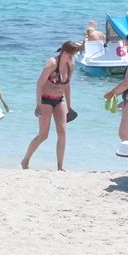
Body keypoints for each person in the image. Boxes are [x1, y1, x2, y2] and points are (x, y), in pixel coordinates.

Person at [21, 41, 81, 170]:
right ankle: (25, 160)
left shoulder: (71, 65)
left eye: (75, 53)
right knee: (43, 135)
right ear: (64, 52)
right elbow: (39, 84)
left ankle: (60, 166)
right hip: (45, 100)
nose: (74, 56)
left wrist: (69, 106)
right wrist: (38, 105)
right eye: (73, 53)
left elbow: (67, 86)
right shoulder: (52, 63)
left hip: (60, 100)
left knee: (62, 132)